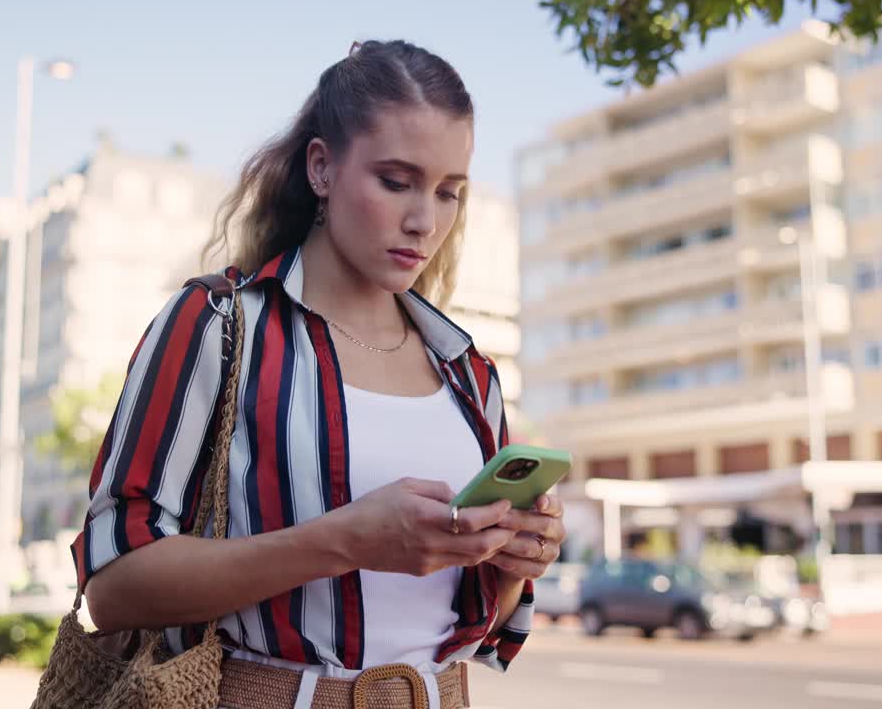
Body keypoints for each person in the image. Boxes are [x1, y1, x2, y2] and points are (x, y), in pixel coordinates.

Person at [72, 39, 566, 709]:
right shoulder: (217, 328)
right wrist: (341, 541)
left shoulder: (468, 371)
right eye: (396, 182)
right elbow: (113, 584)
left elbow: (474, 630)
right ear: (322, 168)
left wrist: (514, 558)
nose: (425, 221)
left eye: (449, 192)